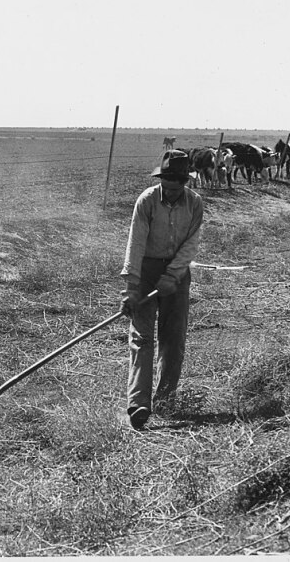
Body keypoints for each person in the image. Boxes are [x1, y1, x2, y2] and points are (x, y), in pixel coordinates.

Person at [120, 150, 203, 431]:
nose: (169, 190)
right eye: (165, 184)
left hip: (177, 273)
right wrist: (131, 287)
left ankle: (166, 399)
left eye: (175, 185)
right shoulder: (146, 200)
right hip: (146, 271)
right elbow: (136, 242)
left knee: (173, 338)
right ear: (160, 179)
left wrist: (173, 274)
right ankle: (138, 403)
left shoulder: (194, 203)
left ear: (185, 182)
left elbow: (191, 244)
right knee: (142, 338)